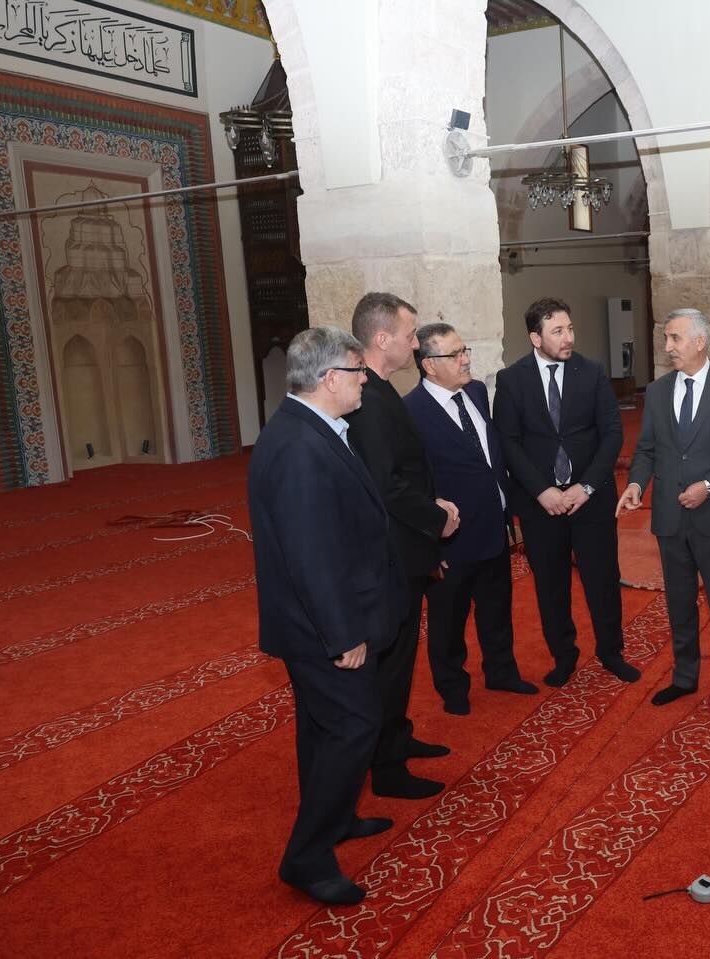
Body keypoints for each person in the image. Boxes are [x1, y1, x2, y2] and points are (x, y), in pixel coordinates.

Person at [248, 327, 394, 907]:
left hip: (317, 620)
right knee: (355, 726)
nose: (365, 383)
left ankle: (335, 820)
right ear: (331, 379)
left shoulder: (310, 428)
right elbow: (311, 554)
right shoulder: (300, 446)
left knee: (322, 725)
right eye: (359, 374)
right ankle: (307, 856)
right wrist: (343, 634)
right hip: (322, 626)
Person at [616, 309, 710, 711]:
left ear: (700, 342)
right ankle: (684, 677)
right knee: (679, 603)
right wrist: (636, 484)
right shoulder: (658, 391)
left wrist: (709, 486)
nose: (668, 347)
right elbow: (647, 449)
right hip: (669, 517)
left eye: (675, 338)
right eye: (666, 338)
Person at [344, 292, 458, 800]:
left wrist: (432, 504)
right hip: (391, 555)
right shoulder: (368, 399)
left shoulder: (382, 389)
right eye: (411, 336)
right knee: (390, 663)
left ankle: (397, 736)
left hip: (407, 548)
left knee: (400, 657)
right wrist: (438, 516)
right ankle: (386, 767)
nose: (416, 344)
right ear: (382, 338)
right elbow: (386, 486)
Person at [493, 297, 641, 687]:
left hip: (590, 499)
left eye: (570, 328)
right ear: (535, 337)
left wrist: (586, 486)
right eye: (557, 331)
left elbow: (612, 433)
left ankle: (611, 652)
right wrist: (541, 491)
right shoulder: (512, 380)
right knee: (550, 584)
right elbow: (508, 442)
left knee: (602, 579)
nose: (568, 337)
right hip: (540, 505)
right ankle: (564, 655)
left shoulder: (591, 372)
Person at [404, 322, 538, 714]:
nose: (465, 360)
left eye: (465, 351)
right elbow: (412, 483)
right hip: (452, 537)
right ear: (429, 364)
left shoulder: (477, 392)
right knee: (448, 620)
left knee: (497, 609)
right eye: (455, 354)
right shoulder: (410, 412)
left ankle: (501, 671)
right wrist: (430, 540)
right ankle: (453, 687)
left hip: (493, 527)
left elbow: (489, 458)